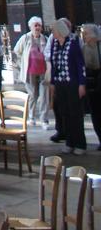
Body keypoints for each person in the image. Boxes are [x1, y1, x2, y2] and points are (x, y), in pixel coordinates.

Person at [49, 17, 86, 155]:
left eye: (54, 30)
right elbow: (53, 65)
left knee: (75, 113)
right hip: (60, 83)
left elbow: (80, 65)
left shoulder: (73, 43)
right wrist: (53, 82)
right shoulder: (55, 44)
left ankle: (80, 143)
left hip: (72, 83)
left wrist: (82, 84)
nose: (53, 33)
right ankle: (69, 142)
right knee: (64, 113)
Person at [13, 16, 50, 126]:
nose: (37, 27)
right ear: (31, 27)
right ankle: (31, 117)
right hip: (30, 71)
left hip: (43, 71)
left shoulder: (45, 39)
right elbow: (16, 51)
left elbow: (48, 53)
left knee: (44, 95)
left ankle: (44, 119)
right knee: (33, 95)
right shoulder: (25, 38)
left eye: (39, 25)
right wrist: (22, 63)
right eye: (35, 25)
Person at [80, 23, 101, 149]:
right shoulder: (84, 48)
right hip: (91, 84)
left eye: (86, 33)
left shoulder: (99, 45)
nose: (83, 35)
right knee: (95, 113)